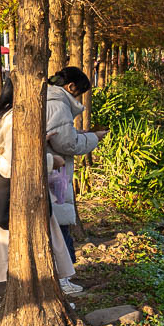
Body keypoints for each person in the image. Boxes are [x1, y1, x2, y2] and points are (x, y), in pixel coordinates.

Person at [0, 77, 78, 314]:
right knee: (37, 238)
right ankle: (42, 295)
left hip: (1, 185)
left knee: (0, 243)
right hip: (18, 188)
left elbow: (4, 151)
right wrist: (51, 160)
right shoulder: (16, 117)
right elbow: (17, 158)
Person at [46, 67, 107, 277]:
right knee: (59, 223)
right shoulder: (59, 105)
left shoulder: (47, 98)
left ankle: (63, 273)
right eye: (78, 93)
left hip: (49, 168)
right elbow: (68, 144)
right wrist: (94, 139)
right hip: (54, 173)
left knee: (55, 222)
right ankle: (64, 276)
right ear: (71, 87)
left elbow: (59, 134)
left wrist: (77, 133)